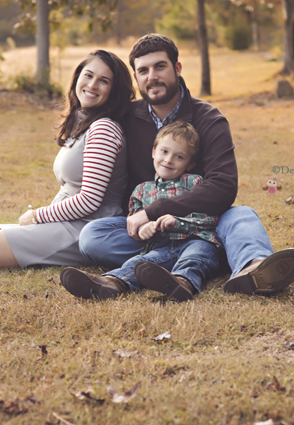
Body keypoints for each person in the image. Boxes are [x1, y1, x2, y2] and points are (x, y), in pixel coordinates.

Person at [79, 34, 294, 296]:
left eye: (160, 67)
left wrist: (157, 209)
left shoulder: (209, 119)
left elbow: (222, 186)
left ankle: (253, 267)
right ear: (136, 77)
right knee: (92, 236)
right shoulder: (127, 118)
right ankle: (199, 260)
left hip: (205, 226)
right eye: (143, 70)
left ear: (177, 69)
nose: (152, 76)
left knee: (241, 215)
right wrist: (147, 219)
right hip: (154, 233)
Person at [0, 49, 134, 271]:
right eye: (88, 75)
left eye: (104, 81)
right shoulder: (84, 123)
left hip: (85, 229)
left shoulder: (104, 128)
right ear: (77, 77)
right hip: (66, 222)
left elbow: (90, 200)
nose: (92, 85)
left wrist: (38, 215)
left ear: (114, 91)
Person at [60, 121, 220, 301]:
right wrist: (141, 231)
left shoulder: (195, 183)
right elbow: (134, 223)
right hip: (161, 246)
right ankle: (111, 283)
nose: (168, 160)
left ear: (190, 164)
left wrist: (178, 222)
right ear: (154, 152)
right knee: (143, 263)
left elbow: (210, 219)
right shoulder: (141, 190)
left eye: (179, 157)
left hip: (195, 241)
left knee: (196, 255)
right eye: (164, 151)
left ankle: (183, 283)